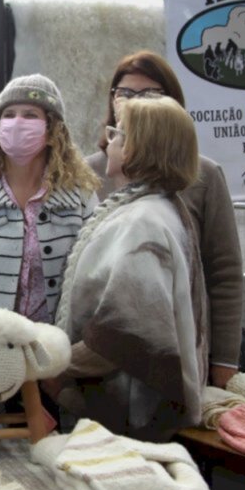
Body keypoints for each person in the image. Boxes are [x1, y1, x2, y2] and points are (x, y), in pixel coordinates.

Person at [86, 50, 243, 388]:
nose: (132, 103)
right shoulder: (86, 173)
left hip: (177, 351)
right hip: (98, 356)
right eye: (124, 93)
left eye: (149, 94)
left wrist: (224, 360)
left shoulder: (204, 175)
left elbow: (225, 273)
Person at [55, 95, 208, 442]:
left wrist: (52, 368)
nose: (109, 142)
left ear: (142, 148)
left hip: (128, 415)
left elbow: (126, 333)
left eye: (118, 135)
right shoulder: (157, 208)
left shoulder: (143, 221)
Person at [0, 74, 100, 323]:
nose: (17, 123)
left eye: (30, 115)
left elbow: (93, 273)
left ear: (52, 130)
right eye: (9, 114)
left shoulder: (81, 195)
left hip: (56, 345)